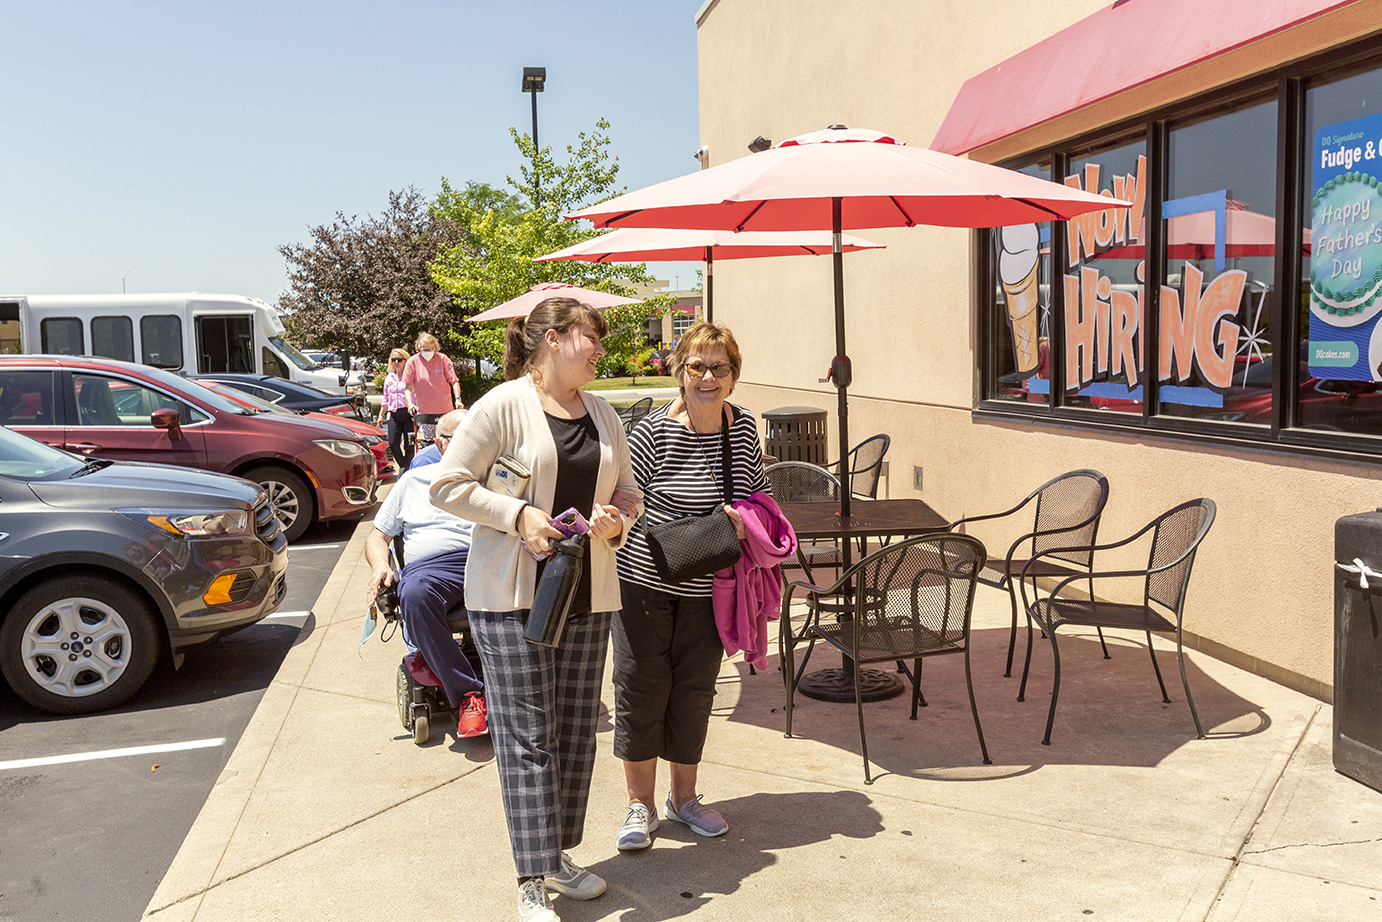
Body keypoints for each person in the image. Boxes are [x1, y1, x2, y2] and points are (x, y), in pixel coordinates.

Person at [430, 297, 640, 922]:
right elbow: (448, 486)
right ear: (552, 340)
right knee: (527, 738)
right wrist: (516, 514)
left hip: (587, 592)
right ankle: (529, 877)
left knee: (575, 732)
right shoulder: (501, 405)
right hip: (510, 599)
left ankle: (556, 857)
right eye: (590, 339)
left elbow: (628, 490)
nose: (600, 350)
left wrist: (615, 521)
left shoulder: (602, 413)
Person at [612, 321, 769, 851]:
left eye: (718, 367)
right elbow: (624, 499)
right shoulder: (652, 432)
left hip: (711, 588)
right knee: (641, 687)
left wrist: (745, 516)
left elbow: (760, 494)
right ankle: (640, 806)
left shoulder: (742, 428)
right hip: (643, 583)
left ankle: (685, 799)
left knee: (695, 691)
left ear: (733, 375)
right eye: (696, 366)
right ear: (679, 371)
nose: (707, 376)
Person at [364, 409, 486, 736]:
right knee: (414, 594)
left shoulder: (497, 477)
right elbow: (377, 536)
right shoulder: (413, 481)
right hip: (432, 569)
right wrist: (381, 566)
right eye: (459, 439)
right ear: (440, 444)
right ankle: (469, 695)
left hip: (488, 559)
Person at [402, 332, 462, 444]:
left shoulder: (443, 359)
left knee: (446, 441)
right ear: (418, 349)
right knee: (429, 443)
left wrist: (458, 398)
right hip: (425, 412)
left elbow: (454, 381)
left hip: (445, 410)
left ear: (435, 347)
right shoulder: (413, 362)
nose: (427, 352)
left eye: (430, 349)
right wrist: (410, 404)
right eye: (424, 350)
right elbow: (407, 387)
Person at [376, 348, 415, 470]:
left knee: (409, 445)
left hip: (409, 414)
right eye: (393, 360)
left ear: (405, 361)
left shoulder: (411, 377)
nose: (396, 362)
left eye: (399, 359)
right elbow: (386, 398)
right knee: (393, 443)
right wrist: (380, 415)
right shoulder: (389, 378)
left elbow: (417, 396)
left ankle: (407, 469)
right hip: (394, 414)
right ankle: (403, 465)